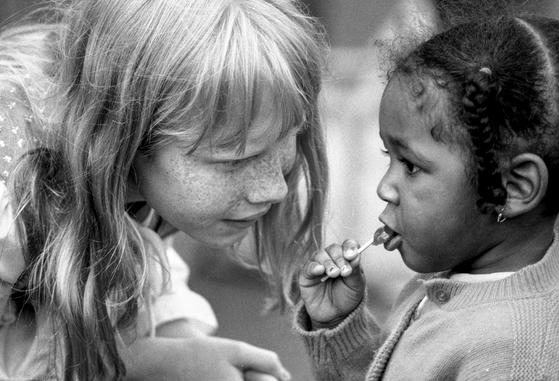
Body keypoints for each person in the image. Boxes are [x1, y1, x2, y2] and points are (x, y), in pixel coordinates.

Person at [0, 0, 327, 380]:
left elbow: (143, 269)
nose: (275, 189)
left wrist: (189, 348)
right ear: (125, 136)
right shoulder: (11, 207)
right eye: (234, 160)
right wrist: (154, 361)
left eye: (286, 139)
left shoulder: (131, 178)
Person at [295, 15, 559, 380]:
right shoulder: (461, 268)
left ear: (516, 187)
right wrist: (340, 325)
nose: (384, 187)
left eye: (411, 166)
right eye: (389, 157)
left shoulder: (519, 361)